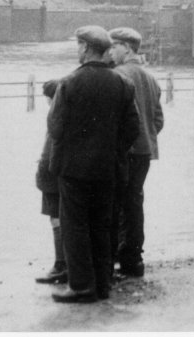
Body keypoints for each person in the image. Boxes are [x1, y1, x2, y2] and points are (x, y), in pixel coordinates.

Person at [47, 26, 140, 303]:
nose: (78, 51)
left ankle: (81, 286)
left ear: (86, 48)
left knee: (74, 226)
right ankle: (102, 283)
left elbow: (55, 126)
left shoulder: (69, 83)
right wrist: (113, 151)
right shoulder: (123, 83)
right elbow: (132, 128)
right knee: (102, 225)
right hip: (109, 168)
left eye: (79, 46)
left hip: (74, 170)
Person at [108, 27, 164, 278]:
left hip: (123, 151)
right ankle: (133, 259)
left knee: (116, 203)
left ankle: (118, 256)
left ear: (127, 48)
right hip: (145, 152)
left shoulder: (117, 75)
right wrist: (146, 137)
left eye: (115, 46)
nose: (111, 51)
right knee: (134, 201)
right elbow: (158, 120)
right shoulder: (150, 78)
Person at [34, 79, 67, 285]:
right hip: (68, 173)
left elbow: (49, 149)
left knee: (56, 219)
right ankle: (69, 262)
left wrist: (41, 173)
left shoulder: (54, 115)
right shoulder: (70, 112)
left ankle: (60, 265)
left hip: (52, 173)